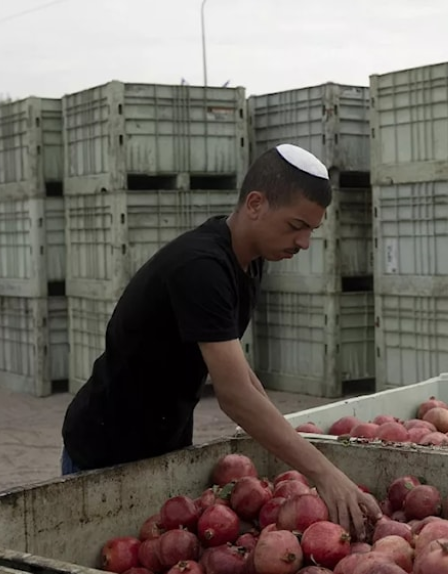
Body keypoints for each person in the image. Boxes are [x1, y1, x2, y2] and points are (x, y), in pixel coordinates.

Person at [61, 143, 381, 538]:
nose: (304, 243)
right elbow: (233, 396)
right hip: (105, 454)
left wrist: (284, 446)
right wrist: (324, 474)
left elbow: (240, 375)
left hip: (163, 447)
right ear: (255, 203)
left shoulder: (248, 260)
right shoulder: (202, 268)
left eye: (312, 230)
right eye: (296, 226)